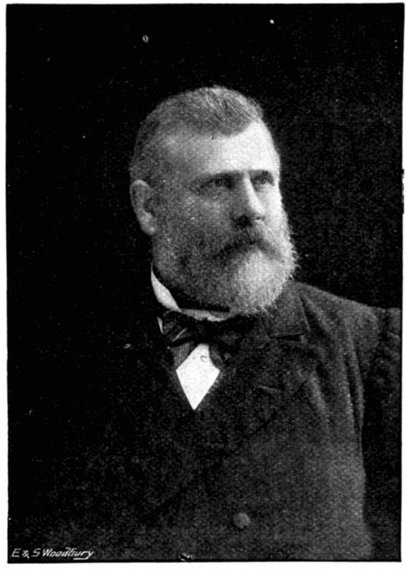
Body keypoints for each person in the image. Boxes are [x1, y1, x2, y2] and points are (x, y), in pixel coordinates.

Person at [10, 86, 400, 561]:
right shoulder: (54, 358)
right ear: (149, 208)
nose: (252, 209)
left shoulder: (370, 348)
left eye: (263, 181)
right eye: (219, 185)